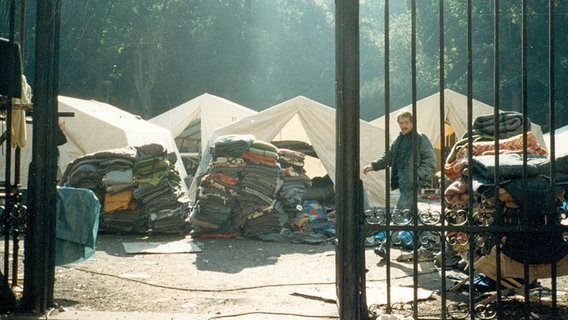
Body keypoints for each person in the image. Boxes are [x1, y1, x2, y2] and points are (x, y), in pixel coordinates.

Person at [363, 110, 436, 259]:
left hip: (410, 181)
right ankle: (427, 245)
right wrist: (373, 166)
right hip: (401, 179)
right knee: (413, 215)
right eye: (401, 123)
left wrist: (416, 176)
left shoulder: (420, 138)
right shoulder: (400, 139)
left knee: (399, 213)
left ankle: (385, 246)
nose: (403, 126)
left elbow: (431, 161)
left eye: (406, 122)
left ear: (412, 122)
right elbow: (389, 156)